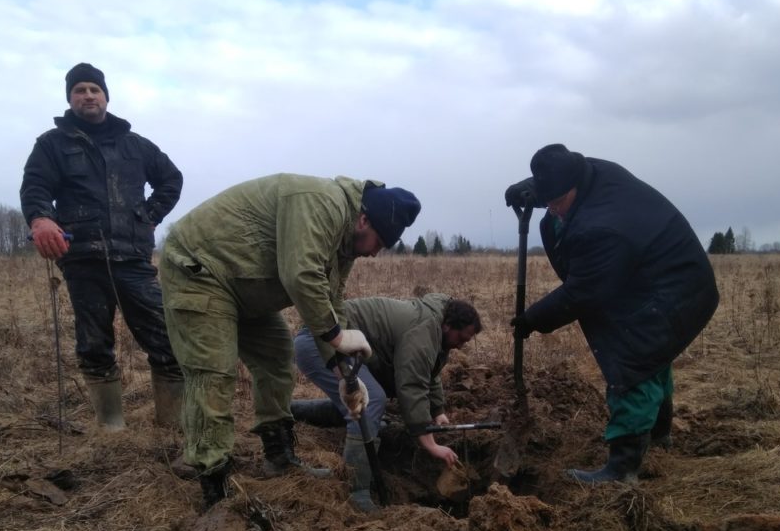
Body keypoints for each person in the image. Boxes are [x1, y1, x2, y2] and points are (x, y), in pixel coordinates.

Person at [160, 174, 421, 507]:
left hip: (246, 288)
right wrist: (337, 337)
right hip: (201, 271)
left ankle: (278, 456)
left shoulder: (345, 244)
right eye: (378, 243)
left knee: (277, 356)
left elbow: (333, 302)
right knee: (214, 375)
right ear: (363, 219)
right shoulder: (321, 201)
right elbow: (302, 275)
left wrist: (343, 372)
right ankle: (215, 489)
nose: (374, 254)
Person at [505, 143, 719, 484]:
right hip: (654, 273)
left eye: (558, 202)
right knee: (652, 359)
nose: (554, 210)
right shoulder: (588, 172)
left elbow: (582, 292)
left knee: (633, 361)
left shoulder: (601, 228)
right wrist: (533, 188)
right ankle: (659, 436)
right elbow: (559, 181)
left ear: (573, 186)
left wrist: (533, 319)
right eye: (549, 202)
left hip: (674, 289)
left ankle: (621, 470)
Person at [20, 63, 185, 432]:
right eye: (80, 90)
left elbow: (171, 179)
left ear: (106, 97)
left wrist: (151, 215)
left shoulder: (136, 145)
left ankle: (172, 427)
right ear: (70, 99)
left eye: (94, 89)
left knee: (167, 339)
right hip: (82, 258)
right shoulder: (51, 144)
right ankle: (111, 429)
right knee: (94, 344)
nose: (88, 96)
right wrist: (41, 219)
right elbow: (35, 188)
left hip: (133, 258)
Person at [292, 293, 482, 512]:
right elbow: (412, 385)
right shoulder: (424, 332)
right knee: (372, 402)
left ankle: (293, 411)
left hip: (342, 346)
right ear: (449, 325)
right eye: (461, 339)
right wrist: (430, 444)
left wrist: (437, 410)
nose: (460, 346)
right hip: (319, 342)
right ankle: (357, 491)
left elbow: (428, 370)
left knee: (364, 403)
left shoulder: (436, 328)